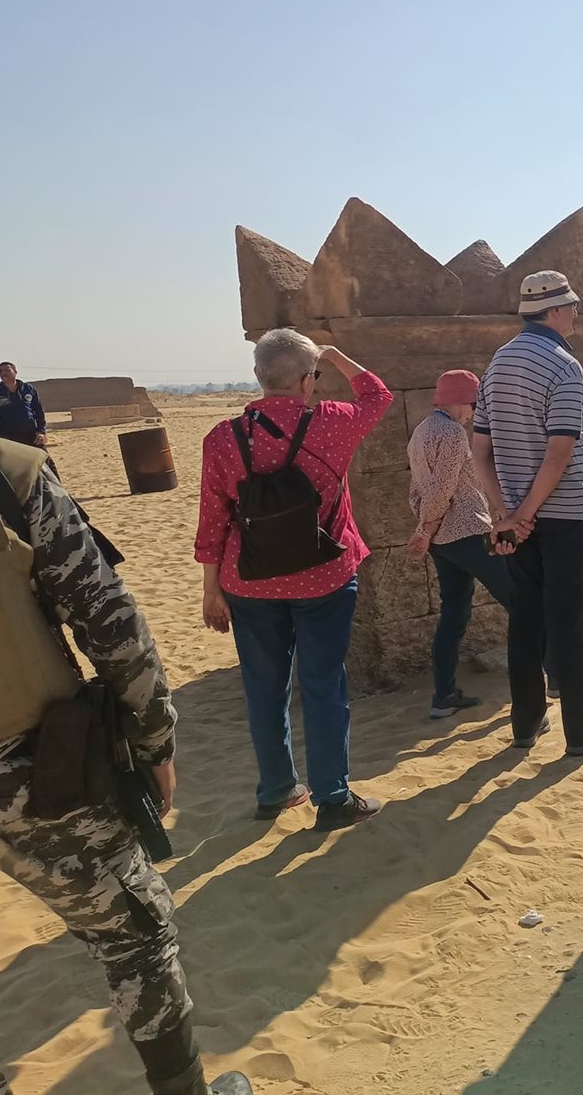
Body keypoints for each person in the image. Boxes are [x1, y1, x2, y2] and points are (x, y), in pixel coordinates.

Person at [0, 304, 252, 1095]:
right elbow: (109, 622)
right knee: (133, 932)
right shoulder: (1, 475)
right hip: (29, 773)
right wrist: (153, 742)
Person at [196, 329, 391, 831]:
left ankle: (276, 790)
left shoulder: (222, 438)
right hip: (323, 576)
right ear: (308, 381)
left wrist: (211, 590)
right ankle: (332, 797)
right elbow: (378, 395)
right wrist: (335, 353)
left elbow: (213, 519)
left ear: (258, 376)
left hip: (249, 581)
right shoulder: (333, 422)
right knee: (324, 685)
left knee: (264, 687)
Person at [477, 271, 583, 758]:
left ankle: (526, 722)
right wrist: (525, 511)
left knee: (526, 617)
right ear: (557, 311)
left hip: (518, 520)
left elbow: (480, 450)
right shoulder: (563, 366)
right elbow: (559, 453)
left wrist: (507, 513)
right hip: (565, 515)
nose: (577, 313)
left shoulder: (497, 364)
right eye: (573, 306)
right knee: (567, 621)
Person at [406, 369, 511, 720]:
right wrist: (425, 528)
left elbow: (417, 491)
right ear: (462, 400)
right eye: (474, 404)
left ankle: (444, 695)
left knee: (453, 615)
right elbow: (442, 490)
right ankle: (557, 675)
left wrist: (426, 529)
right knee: (522, 600)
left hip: (442, 541)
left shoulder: (421, 431)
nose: (474, 412)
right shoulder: (451, 433)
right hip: (466, 532)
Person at [0, 360, 48, 448]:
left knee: (43, 457)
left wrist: (41, 432)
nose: (4, 373)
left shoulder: (29, 389)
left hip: (31, 435)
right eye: (1, 371)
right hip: (8, 438)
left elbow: (39, 412)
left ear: (15, 372)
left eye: (7, 370)